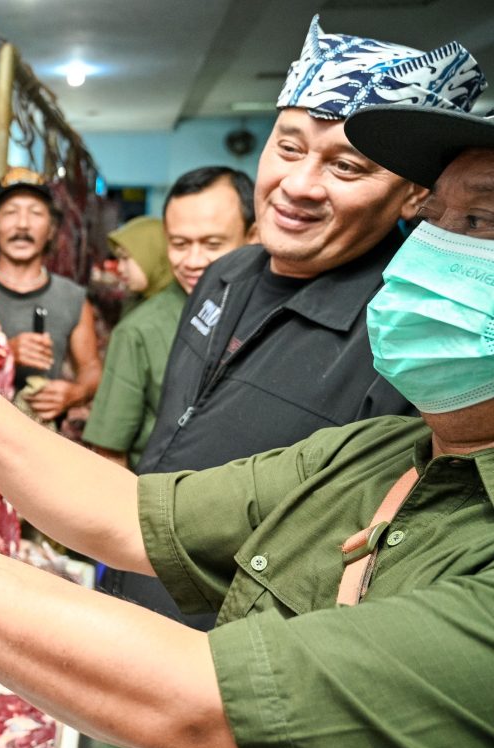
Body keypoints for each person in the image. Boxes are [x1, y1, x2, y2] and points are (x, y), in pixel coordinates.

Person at [0, 98, 494, 748]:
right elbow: (129, 514)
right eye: (434, 219)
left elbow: (201, 704)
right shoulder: (387, 455)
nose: (429, 255)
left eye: (481, 220)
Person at [103, 18, 487, 638]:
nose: (298, 186)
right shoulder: (224, 273)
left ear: (414, 195)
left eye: (348, 167)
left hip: (236, 658)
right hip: (132, 590)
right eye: (288, 147)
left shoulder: (411, 335)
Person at [84, 168, 255, 469]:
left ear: (253, 236)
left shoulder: (278, 312)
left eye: (213, 244)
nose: (193, 261)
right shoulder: (140, 331)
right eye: (179, 244)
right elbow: (109, 453)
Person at [0, 167, 100, 424]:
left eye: (36, 213)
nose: (23, 224)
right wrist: (4, 354)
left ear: (51, 229)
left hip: (40, 439)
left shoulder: (72, 297)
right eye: (11, 212)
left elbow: (91, 368)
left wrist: (78, 392)